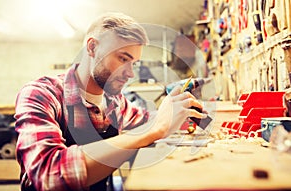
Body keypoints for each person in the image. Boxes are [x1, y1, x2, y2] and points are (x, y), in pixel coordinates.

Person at [14, 12, 206, 191]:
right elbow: (48, 175)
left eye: (134, 64)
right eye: (123, 59)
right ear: (92, 47)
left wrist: (177, 110)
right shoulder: (41, 94)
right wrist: (151, 131)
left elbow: (147, 120)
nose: (130, 73)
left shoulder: (114, 101)